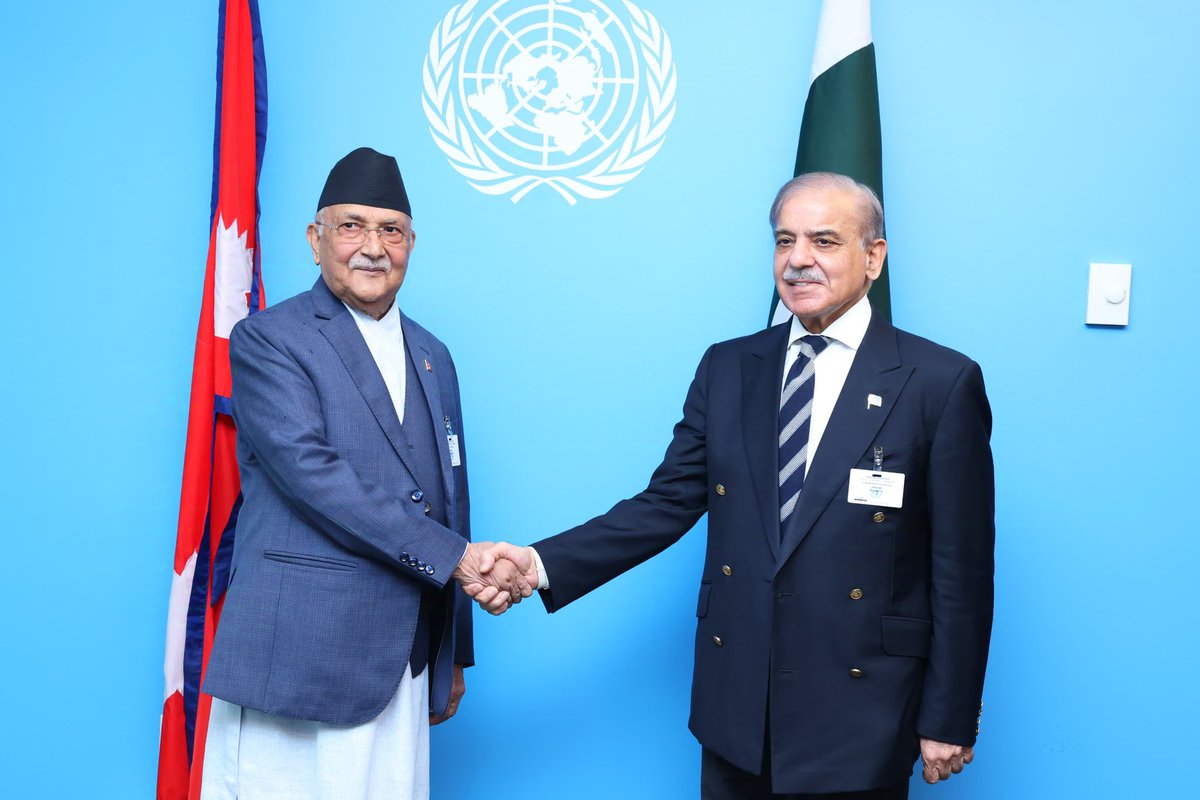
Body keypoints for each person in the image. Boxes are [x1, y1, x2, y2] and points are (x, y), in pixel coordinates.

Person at [473, 173, 995, 799]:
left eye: (824, 241)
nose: (799, 259)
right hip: (739, 707)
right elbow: (665, 503)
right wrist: (538, 563)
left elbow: (961, 570)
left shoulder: (939, 381)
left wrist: (950, 713)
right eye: (785, 241)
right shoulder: (728, 367)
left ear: (874, 257)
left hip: (865, 710)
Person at [199, 147, 529, 800]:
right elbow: (314, 475)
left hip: (402, 665)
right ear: (315, 240)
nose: (372, 247)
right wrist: (461, 560)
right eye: (351, 226)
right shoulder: (270, 340)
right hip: (299, 657)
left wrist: (451, 655)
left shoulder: (434, 354)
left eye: (391, 230)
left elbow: (449, 502)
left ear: (411, 244)